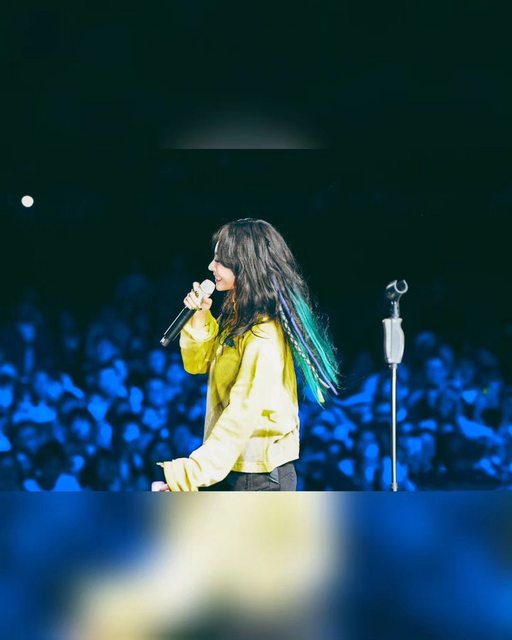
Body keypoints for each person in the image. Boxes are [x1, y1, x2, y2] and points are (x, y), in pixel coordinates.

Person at [153, 218, 339, 491]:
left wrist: (187, 475)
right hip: (235, 467)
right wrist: (200, 314)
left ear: (243, 265)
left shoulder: (264, 335)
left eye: (219, 261)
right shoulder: (239, 319)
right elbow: (197, 364)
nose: (211, 266)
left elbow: (242, 414)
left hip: (259, 476)